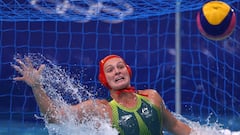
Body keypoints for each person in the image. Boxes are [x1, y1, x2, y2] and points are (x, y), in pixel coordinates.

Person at [12, 54, 191, 135]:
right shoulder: (100, 109)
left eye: (121, 67)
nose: (117, 72)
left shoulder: (152, 97)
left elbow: (176, 126)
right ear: (104, 79)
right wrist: (36, 86)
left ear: (128, 71)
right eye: (110, 70)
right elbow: (55, 117)